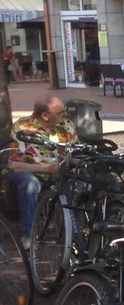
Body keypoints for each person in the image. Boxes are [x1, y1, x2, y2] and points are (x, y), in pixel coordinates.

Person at [6, 96, 76, 245]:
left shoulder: (67, 126)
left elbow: (77, 152)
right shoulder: (23, 128)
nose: (65, 115)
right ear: (45, 115)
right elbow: (15, 165)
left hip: (60, 172)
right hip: (30, 172)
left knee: (84, 177)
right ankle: (29, 235)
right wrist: (47, 168)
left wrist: (74, 165)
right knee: (29, 183)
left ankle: (76, 232)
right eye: (61, 112)